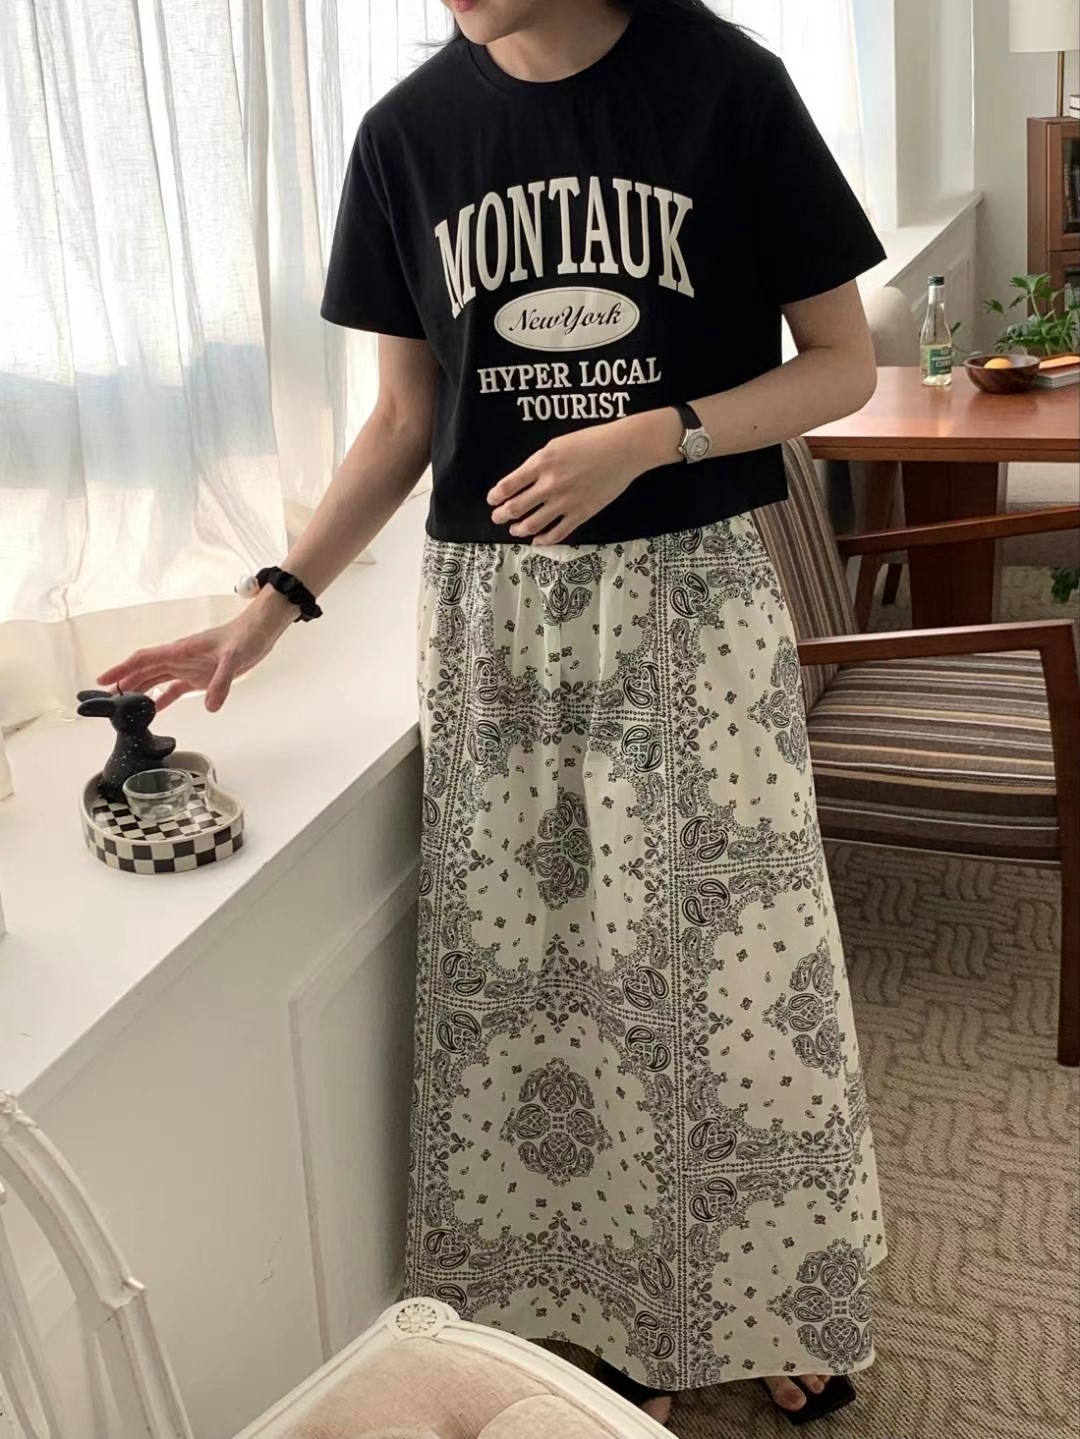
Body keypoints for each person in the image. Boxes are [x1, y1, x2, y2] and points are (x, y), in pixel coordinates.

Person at [100, 0, 889, 1426]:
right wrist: (267, 604)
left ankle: (773, 1289)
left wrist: (655, 436)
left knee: (735, 954)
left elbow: (843, 361)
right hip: (492, 616)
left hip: (688, 587)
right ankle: (577, 1298)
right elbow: (406, 421)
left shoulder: (726, 85)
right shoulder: (409, 135)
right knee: (534, 972)